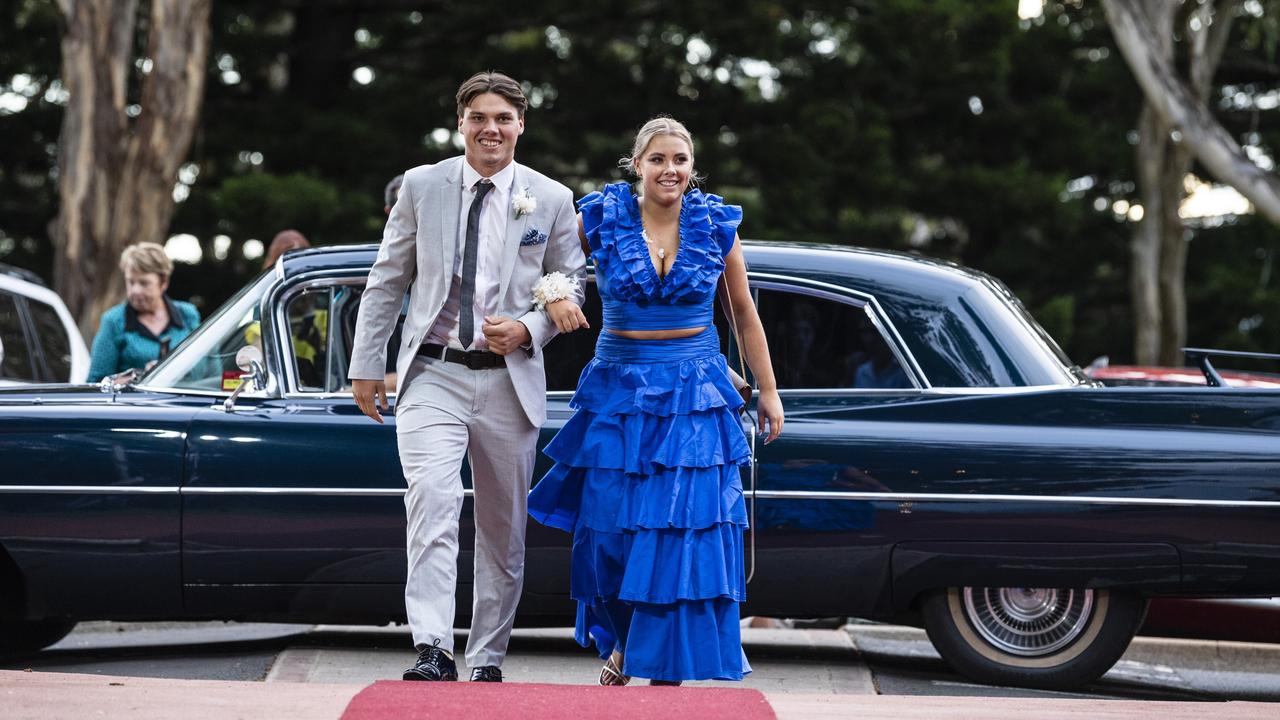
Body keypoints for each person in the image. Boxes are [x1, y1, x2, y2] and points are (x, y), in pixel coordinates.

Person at [347, 71, 586, 684]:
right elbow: (387, 277)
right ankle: (433, 645)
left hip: (510, 380)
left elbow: (570, 284)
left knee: (503, 529)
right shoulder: (424, 187)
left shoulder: (552, 199)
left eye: (502, 118)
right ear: (461, 123)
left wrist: (531, 329)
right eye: (478, 117)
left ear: (521, 125)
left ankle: (486, 657)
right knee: (432, 498)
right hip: (433, 371)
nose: (490, 129)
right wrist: (367, 363)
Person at [526, 117, 784, 686]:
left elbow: (743, 312)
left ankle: (656, 662)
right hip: (618, 391)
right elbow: (540, 267)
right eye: (659, 159)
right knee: (610, 527)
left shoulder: (716, 225)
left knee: (682, 528)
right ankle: (625, 642)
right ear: (637, 164)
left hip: (695, 394)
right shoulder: (599, 218)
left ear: (692, 168)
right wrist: (552, 297)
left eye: (681, 160)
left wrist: (767, 389)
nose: (671, 170)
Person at [88, 242, 200, 382]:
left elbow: (209, 372)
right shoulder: (113, 321)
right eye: (131, 282)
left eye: (144, 283)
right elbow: (96, 383)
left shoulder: (188, 315)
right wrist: (139, 377)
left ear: (163, 282)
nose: (135, 290)